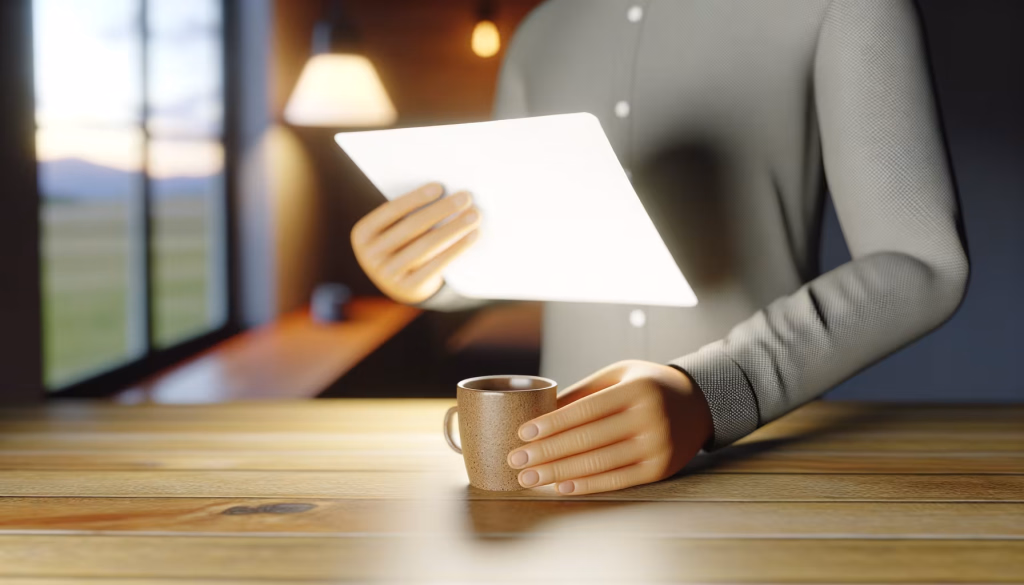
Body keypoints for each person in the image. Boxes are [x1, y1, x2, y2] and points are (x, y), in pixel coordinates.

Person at [350, 0, 969, 495]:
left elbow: (921, 263)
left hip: (762, 459)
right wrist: (432, 273)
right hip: (555, 461)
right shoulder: (539, 33)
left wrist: (716, 391)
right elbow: (529, 238)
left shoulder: (846, 7)